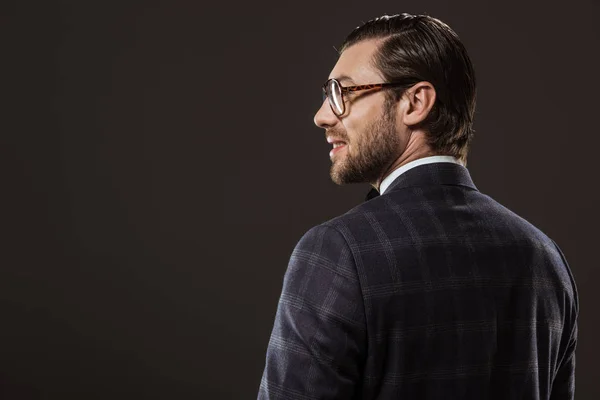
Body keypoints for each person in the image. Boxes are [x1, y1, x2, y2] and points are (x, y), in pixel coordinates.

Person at [257, 13, 578, 400]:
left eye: (342, 92)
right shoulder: (545, 258)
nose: (323, 115)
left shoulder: (337, 251)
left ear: (415, 102)